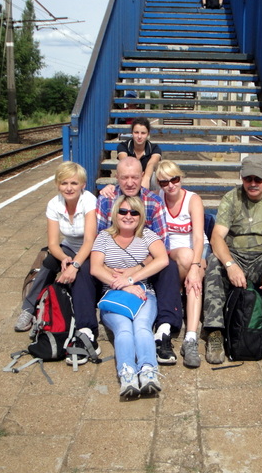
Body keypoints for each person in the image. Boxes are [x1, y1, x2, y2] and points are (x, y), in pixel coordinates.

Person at [203, 155, 262, 364]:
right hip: (236, 254)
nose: (253, 183)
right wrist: (230, 265)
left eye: (258, 179)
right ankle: (214, 331)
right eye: (248, 179)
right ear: (242, 177)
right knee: (214, 264)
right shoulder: (231, 198)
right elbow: (217, 237)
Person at [96, 156, 183, 365]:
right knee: (86, 267)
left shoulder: (153, 201)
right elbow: (99, 242)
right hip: (112, 267)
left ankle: (164, 330)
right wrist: (115, 274)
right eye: (124, 177)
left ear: (142, 176)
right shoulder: (106, 200)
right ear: (117, 177)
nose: (129, 183)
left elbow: (163, 246)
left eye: (134, 177)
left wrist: (134, 271)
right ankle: (86, 330)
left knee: (170, 267)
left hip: (145, 266)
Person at [14, 161, 100, 361]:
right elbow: (53, 243)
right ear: (57, 185)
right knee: (48, 262)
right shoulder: (54, 204)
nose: (69, 188)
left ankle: (84, 324)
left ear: (83, 185)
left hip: (91, 248)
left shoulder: (89, 201)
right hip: (68, 248)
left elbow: (89, 240)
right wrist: (64, 258)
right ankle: (28, 308)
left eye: (73, 183)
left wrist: (74, 265)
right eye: (64, 183)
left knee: (82, 272)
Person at [91, 195, 169, 397]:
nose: (128, 216)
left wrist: (132, 279)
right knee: (124, 330)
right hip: (113, 295)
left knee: (142, 326)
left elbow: (162, 259)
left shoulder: (147, 236)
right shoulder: (103, 237)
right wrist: (124, 286)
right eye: (123, 211)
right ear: (115, 214)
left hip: (143, 294)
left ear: (140, 216)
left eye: (134, 212)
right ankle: (127, 373)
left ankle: (148, 370)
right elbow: (95, 268)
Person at [156, 160, 209, 368]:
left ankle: (191, 337)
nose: (170, 185)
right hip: (172, 251)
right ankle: (189, 332)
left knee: (194, 278)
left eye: (174, 179)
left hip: (196, 249)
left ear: (181, 177)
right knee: (187, 261)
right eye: (164, 182)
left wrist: (195, 267)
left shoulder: (192, 199)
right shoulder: (158, 198)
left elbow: (198, 238)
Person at [115, 117, 161, 191]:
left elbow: (151, 164)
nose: (139, 136)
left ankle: (153, 197)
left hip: (147, 178)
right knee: (122, 176)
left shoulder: (154, 148)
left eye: (143, 133)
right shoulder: (123, 146)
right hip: (129, 177)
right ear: (132, 132)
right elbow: (126, 163)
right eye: (136, 132)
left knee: (154, 177)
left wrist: (146, 178)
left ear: (148, 134)